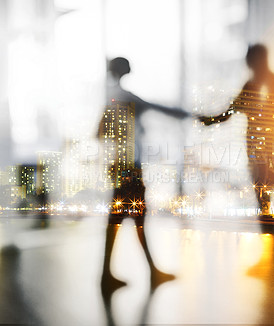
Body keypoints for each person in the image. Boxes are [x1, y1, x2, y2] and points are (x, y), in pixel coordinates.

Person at [99, 57, 188, 296]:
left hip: (118, 165)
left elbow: (98, 132)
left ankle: (111, 275)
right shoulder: (126, 97)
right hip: (130, 166)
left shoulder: (111, 98)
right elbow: (159, 108)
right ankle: (144, 273)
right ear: (123, 70)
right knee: (135, 217)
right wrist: (192, 115)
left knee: (123, 217)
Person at [200, 44, 274, 214]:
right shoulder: (255, 86)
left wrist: (209, 120)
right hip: (264, 150)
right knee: (271, 192)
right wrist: (209, 119)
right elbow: (230, 112)